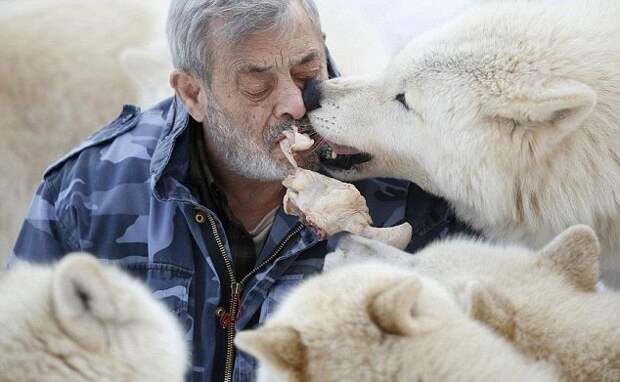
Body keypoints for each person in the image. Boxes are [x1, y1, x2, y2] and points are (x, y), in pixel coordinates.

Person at [11, 1, 471, 381]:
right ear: (192, 94)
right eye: (257, 84)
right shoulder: (87, 190)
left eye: (307, 68)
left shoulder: (412, 175)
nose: (294, 103)